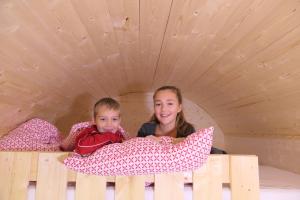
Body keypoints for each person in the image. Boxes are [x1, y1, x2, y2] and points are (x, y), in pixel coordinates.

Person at [137, 85, 226, 154]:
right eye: (158, 104)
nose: (163, 109)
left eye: (170, 104)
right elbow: (135, 152)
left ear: (179, 108)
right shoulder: (146, 129)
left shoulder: (187, 129)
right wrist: (145, 143)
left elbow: (196, 150)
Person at [60, 97, 126, 156]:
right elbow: (81, 148)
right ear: (94, 120)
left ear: (119, 120)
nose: (109, 124)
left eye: (114, 119)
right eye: (103, 119)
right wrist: (109, 136)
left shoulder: (119, 135)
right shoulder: (89, 132)